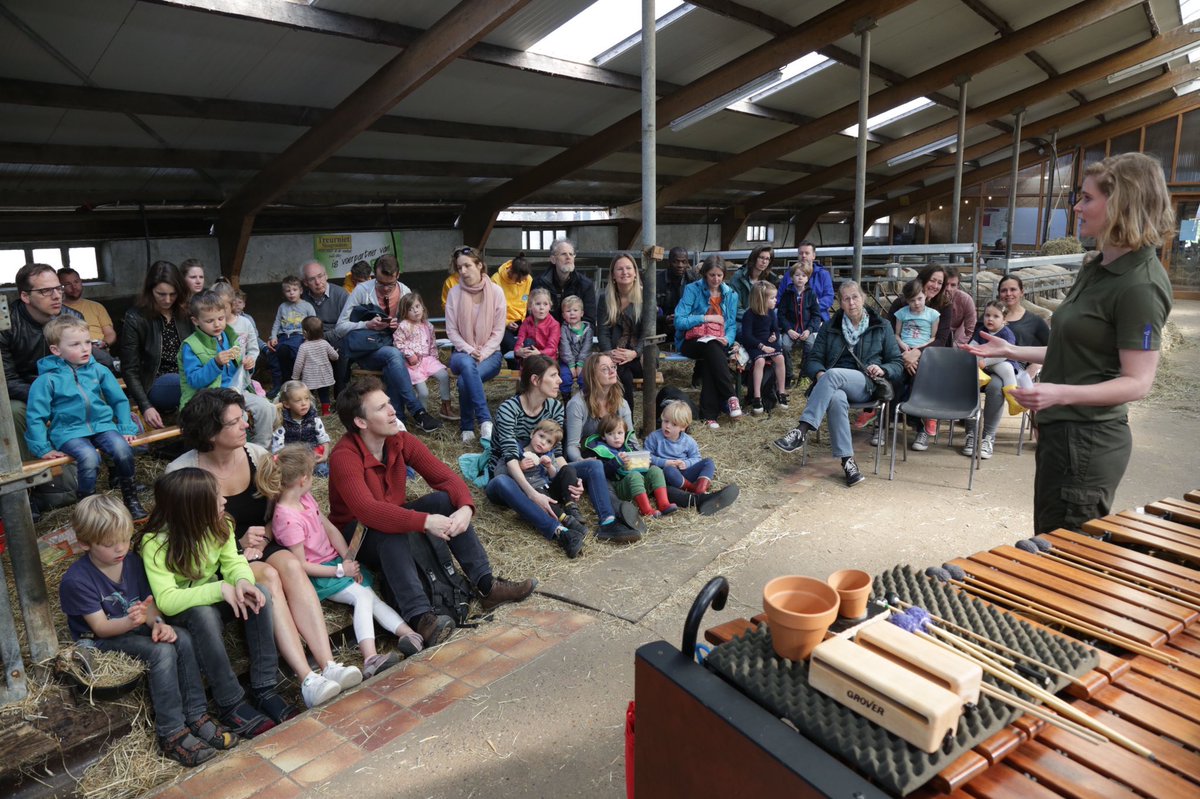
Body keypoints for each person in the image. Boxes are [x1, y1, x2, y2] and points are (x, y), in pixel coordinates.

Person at [964, 153, 1173, 534]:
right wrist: (1010, 350)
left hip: (1087, 439)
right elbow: (1076, 349)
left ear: (1123, 204)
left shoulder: (1140, 285)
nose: (1076, 207)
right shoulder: (1097, 266)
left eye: (1088, 198)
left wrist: (1058, 393)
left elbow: (1138, 382)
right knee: (1047, 538)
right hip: (1060, 433)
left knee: (1065, 549)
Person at [167, 389, 358, 715]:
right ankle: (307, 679)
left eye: (243, 416)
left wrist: (266, 534)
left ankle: (329, 664)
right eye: (235, 421)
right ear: (211, 433)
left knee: (291, 566)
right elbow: (186, 540)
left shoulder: (257, 455)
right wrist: (238, 544)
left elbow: (277, 511)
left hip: (261, 543)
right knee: (268, 576)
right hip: (219, 558)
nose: (246, 424)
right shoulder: (183, 474)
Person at [329, 376, 537, 644]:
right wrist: (425, 521)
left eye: (389, 403)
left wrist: (465, 508)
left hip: (390, 516)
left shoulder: (400, 440)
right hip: (357, 536)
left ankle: (487, 586)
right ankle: (421, 618)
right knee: (390, 532)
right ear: (361, 422)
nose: (392, 410)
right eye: (381, 408)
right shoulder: (344, 456)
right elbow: (368, 511)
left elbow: (446, 478)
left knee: (443, 500)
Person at [60, 496, 234, 766]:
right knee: (161, 653)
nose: (120, 548)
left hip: (133, 627)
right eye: (109, 544)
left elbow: (149, 605)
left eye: (125, 539)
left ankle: (197, 714)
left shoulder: (132, 562)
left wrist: (159, 624)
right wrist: (134, 623)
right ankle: (171, 732)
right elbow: (101, 628)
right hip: (101, 641)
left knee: (182, 638)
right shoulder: (77, 580)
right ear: (84, 543)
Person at [140, 468, 282, 736]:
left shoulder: (221, 524)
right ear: (194, 508)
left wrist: (242, 581)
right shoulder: (155, 543)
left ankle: (265, 687)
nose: (224, 500)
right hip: (183, 611)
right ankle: (230, 702)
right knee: (203, 614)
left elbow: (234, 562)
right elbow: (167, 600)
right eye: (216, 497)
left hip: (214, 596)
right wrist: (219, 589)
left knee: (257, 592)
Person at [258, 445, 418, 677]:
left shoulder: (306, 499)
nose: (313, 478)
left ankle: (409, 634)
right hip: (321, 575)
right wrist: (341, 571)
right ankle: (370, 658)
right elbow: (302, 566)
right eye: (312, 474)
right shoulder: (287, 518)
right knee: (362, 596)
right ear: (303, 479)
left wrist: (348, 559)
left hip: (336, 563)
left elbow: (330, 529)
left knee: (370, 595)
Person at [486, 355, 629, 550]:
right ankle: (559, 531)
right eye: (553, 376)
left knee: (594, 465)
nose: (560, 381)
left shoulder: (554, 407)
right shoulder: (508, 410)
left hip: (544, 475)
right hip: (511, 477)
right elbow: (510, 458)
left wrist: (571, 480)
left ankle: (608, 522)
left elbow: (558, 454)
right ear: (535, 380)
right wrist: (533, 495)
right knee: (501, 482)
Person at [774, 281, 904, 488]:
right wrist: (819, 374)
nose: (851, 303)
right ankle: (848, 462)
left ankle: (801, 430)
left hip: (865, 383)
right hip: (833, 385)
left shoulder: (881, 325)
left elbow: (897, 362)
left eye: (855, 297)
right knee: (835, 397)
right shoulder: (830, 327)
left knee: (833, 374)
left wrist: (883, 369)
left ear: (863, 298)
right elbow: (813, 359)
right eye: (846, 299)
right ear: (840, 303)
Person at [25, 316, 147, 520]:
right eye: (75, 344)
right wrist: (43, 448)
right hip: (68, 432)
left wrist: (126, 427)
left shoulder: (99, 370)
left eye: (87, 342)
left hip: (102, 425)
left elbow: (118, 400)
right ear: (56, 350)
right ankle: (87, 508)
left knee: (122, 449)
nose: (84, 349)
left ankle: (131, 499)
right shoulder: (47, 380)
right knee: (89, 457)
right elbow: (36, 416)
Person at [335, 255, 442, 433]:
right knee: (393, 355)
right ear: (373, 275)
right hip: (368, 350)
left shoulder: (405, 291)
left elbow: (415, 325)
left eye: (390, 284)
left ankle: (398, 421)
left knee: (393, 363)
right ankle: (418, 412)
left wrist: (398, 326)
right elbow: (340, 328)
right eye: (380, 283)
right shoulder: (362, 290)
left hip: (397, 349)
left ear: (398, 275)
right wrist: (366, 324)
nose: (385, 288)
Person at [1, 263, 87, 459]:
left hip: (64, 388)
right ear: (25, 296)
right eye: (46, 291)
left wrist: (67, 392)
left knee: (98, 390)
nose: (57, 296)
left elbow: (84, 368)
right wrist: (45, 395)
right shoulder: (6, 326)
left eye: (58, 288)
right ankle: (33, 470)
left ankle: (108, 464)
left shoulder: (72, 318)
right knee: (14, 410)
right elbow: (7, 380)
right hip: (24, 392)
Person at [961, 273, 1050, 460]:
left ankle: (988, 437)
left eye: (1013, 289)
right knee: (972, 381)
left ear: (1022, 292)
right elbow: (976, 342)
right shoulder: (988, 318)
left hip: (1013, 367)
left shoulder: (1035, 321)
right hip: (984, 365)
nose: (1008, 294)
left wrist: (1033, 368)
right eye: (1004, 290)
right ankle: (971, 434)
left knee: (995, 387)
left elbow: (1051, 349)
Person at [179, 290, 274, 448]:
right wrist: (215, 364)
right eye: (210, 321)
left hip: (235, 390)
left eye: (221, 318)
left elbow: (236, 370)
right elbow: (194, 380)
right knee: (238, 415)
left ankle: (260, 450)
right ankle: (240, 451)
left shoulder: (229, 337)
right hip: (210, 396)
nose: (217, 324)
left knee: (266, 408)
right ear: (196, 321)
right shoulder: (191, 346)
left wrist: (247, 364)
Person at [119, 260, 194, 430]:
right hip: (155, 382)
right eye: (161, 294)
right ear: (150, 291)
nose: (167, 300)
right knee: (193, 383)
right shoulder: (136, 317)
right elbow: (129, 368)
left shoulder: (186, 312)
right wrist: (145, 405)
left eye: (173, 294)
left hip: (188, 375)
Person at [445, 246, 506, 444]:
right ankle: (485, 420)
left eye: (467, 266)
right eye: (459, 268)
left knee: (464, 381)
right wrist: (471, 350)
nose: (462, 271)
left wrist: (484, 352)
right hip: (462, 353)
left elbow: (499, 330)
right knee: (466, 364)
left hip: (491, 355)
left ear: (479, 265)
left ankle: (467, 427)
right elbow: (451, 331)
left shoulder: (496, 292)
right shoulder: (454, 293)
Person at [674, 255, 741, 428]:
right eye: (712, 275)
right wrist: (706, 318)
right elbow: (679, 321)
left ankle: (709, 416)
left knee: (712, 354)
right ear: (705, 274)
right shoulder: (692, 289)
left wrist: (728, 338)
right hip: (692, 341)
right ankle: (730, 396)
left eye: (719, 275)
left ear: (724, 275)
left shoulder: (731, 294)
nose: (716, 279)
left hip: (718, 342)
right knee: (711, 347)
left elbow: (731, 324)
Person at [585, 414, 677, 518]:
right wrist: (617, 462)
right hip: (619, 487)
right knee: (635, 475)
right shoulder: (600, 451)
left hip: (638, 485)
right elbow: (603, 474)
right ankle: (646, 511)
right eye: (610, 434)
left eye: (620, 433)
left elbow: (641, 464)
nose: (616, 437)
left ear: (625, 433)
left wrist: (646, 462)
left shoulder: (629, 446)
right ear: (603, 436)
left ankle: (664, 504)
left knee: (656, 470)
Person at [645, 399, 721, 505]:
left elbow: (696, 458)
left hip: (685, 474)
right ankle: (695, 490)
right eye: (665, 421)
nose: (668, 426)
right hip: (665, 477)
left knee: (708, 462)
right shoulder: (654, 437)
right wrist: (665, 462)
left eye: (674, 424)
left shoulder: (688, 441)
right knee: (669, 471)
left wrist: (686, 463)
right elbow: (646, 457)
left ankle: (700, 490)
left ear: (683, 427)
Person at [393, 292, 455, 420]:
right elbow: (397, 343)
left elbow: (432, 345)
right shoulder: (404, 326)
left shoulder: (428, 325)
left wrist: (435, 360)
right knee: (424, 393)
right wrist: (409, 354)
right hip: (413, 364)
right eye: (410, 309)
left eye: (417, 306)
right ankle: (423, 416)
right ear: (405, 312)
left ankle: (446, 407)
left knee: (444, 375)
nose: (415, 311)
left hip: (428, 360)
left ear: (422, 307)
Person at [596, 252, 645, 407]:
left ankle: (624, 416)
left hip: (641, 355)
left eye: (628, 268)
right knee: (620, 370)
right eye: (620, 269)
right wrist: (609, 353)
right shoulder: (605, 299)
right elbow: (602, 332)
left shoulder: (646, 297)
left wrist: (635, 353)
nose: (625, 272)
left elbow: (648, 333)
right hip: (615, 354)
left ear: (635, 273)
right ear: (613, 275)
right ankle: (623, 416)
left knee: (621, 370)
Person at [737, 280, 788, 414]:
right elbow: (747, 336)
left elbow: (775, 329)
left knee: (780, 358)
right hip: (754, 343)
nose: (775, 300)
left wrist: (775, 336)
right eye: (772, 298)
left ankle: (781, 392)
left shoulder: (771, 312)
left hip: (768, 342)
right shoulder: (749, 315)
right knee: (760, 361)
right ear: (761, 300)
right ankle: (757, 396)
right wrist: (762, 347)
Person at [300, 260, 350, 394]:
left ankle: (340, 394)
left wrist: (322, 338)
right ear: (305, 282)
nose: (318, 282)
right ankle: (299, 393)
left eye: (320, 276)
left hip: (335, 335)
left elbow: (346, 325)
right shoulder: (302, 298)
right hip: (310, 337)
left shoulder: (341, 294)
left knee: (341, 350)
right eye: (312, 279)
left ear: (326, 275)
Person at [209, 281, 261, 397]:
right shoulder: (213, 327)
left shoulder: (245, 323)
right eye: (215, 307)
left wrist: (250, 360)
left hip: (241, 378)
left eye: (223, 307)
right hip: (219, 380)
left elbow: (253, 349)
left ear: (232, 304)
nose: (219, 311)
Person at [271, 380, 332, 477]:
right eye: (298, 400)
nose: (304, 403)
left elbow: (323, 438)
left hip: (312, 455)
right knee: (286, 474)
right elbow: (278, 449)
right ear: (286, 404)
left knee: (323, 471)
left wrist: (325, 456)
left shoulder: (314, 419)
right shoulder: (282, 422)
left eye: (306, 398)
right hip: (291, 457)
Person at [778, 261, 822, 389]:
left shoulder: (811, 294)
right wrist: (788, 329)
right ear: (792, 277)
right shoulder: (787, 294)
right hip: (791, 330)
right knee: (785, 346)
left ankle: (804, 375)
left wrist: (809, 330)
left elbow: (816, 315)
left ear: (808, 278)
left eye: (803, 275)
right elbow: (781, 315)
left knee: (810, 345)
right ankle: (789, 375)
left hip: (806, 330)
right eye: (797, 275)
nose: (800, 278)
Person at [532, 238, 597, 325]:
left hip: (574, 332)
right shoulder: (539, 283)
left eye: (571, 254)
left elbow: (589, 321)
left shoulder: (585, 285)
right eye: (563, 254)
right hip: (545, 332)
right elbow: (532, 315)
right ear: (553, 259)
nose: (568, 257)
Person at [268, 276, 316, 387]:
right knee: (275, 354)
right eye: (288, 291)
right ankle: (280, 384)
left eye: (294, 290)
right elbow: (277, 323)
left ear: (301, 291)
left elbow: (313, 323)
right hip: (284, 336)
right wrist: (273, 337)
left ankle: (297, 380)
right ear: (284, 293)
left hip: (299, 336)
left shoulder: (307, 306)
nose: (291, 293)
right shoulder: (282, 307)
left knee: (295, 355)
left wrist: (309, 338)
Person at [59, 267, 116, 351]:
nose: (74, 287)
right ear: (60, 287)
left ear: (81, 282)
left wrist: (104, 344)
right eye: (68, 284)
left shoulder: (96, 306)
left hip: (100, 351)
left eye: (76, 282)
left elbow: (110, 333)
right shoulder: (57, 310)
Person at [293, 316, 339, 413]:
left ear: (305, 332)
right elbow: (335, 356)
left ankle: (310, 412)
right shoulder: (324, 343)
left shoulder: (303, 347)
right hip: (324, 376)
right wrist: (335, 352)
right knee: (324, 395)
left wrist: (295, 377)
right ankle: (326, 412)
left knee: (308, 395)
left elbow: (299, 364)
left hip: (310, 377)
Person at [491, 254, 533, 354]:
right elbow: (491, 309)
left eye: (524, 279)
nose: (522, 282)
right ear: (511, 272)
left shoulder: (528, 279)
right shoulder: (496, 280)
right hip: (501, 323)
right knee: (512, 346)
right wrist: (507, 323)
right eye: (519, 280)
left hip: (522, 321)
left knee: (530, 343)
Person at [728, 245, 775, 328]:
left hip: (762, 318)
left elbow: (772, 304)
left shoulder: (770, 278)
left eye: (767, 259)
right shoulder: (738, 277)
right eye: (761, 257)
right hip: (742, 320)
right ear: (754, 258)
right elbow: (735, 308)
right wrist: (754, 319)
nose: (764, 262)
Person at [656, 247, 698, 338]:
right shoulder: (657, 281)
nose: (680, 265)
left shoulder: (692, 280)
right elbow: (649, 311)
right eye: (676, 261)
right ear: (669, 262)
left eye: (684, 262)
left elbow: (699, 307)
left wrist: (685, 318)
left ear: (687, 263)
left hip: (686, 324)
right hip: (662, 326)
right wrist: (665, 318)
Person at [514, 287, 561, 366]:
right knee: (528, 342)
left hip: (547, 361)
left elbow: (552, 348)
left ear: (550, 306)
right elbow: (519, 341)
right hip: (529, 359)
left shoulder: (554, 325)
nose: (542, 308)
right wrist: (518, 351)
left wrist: (539, 353)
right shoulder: (526, 322)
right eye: (538, 304)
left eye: (545, 304)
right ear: (530, 306)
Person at [559, 295, 592, 397]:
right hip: (566, 362)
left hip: (584, 361)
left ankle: (585, 398)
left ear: (581, 313)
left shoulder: (588, 330)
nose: (572, 313)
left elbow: (586, 348)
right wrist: (571, 365)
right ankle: (566, 398)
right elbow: (564, 347)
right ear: (563, 315)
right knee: (564, 377)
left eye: (575, 310)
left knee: (585, 378)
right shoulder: (563, 329)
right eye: (568, 311)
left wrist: (580, 364)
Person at [943, 266, 977, 346]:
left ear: (958, 286)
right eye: (945, 284)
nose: (948, 288)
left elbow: (971, 331)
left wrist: (959, 346)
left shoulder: (966, 300)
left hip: (956, 339)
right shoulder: (932, 298)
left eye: (953, 285)